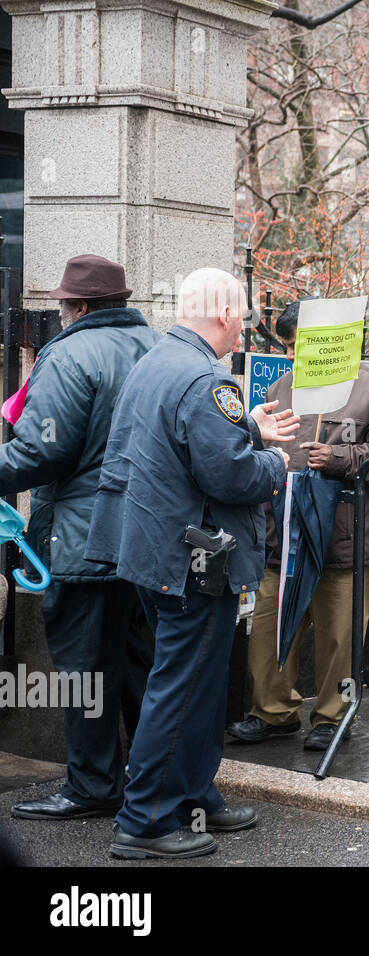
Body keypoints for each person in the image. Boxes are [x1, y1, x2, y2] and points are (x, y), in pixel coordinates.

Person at [84, 268, 298, 859]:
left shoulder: (157, 360)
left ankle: (194, 797)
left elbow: (171, 447)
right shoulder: (206, 379)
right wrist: (278, 461)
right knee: (181, 688)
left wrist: (247, 426)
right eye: (244, 317)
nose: (246, 330)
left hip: (160, 552)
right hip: (196, 559)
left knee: (195, 685)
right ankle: (146, 820)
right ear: (227, 313)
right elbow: (231, 474)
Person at [4, 254, 158, 822]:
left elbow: (41, 452)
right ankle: (153, 783)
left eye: (63, 304)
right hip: (147, 539)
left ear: (79, 308)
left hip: (84, 539)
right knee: (143, 663)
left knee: (85, 670)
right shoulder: (160, 348)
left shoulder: (68, 354)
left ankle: (93, 786)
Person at [228, 300, 369, 751]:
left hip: (346, 538)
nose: (289, 355)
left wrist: (341, 459)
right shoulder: (284, 387)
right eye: (287, 346)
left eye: (296, 345)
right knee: (269, 628)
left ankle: (334, 714)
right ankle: (272, 711)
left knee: (339, 637)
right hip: (283, 535)